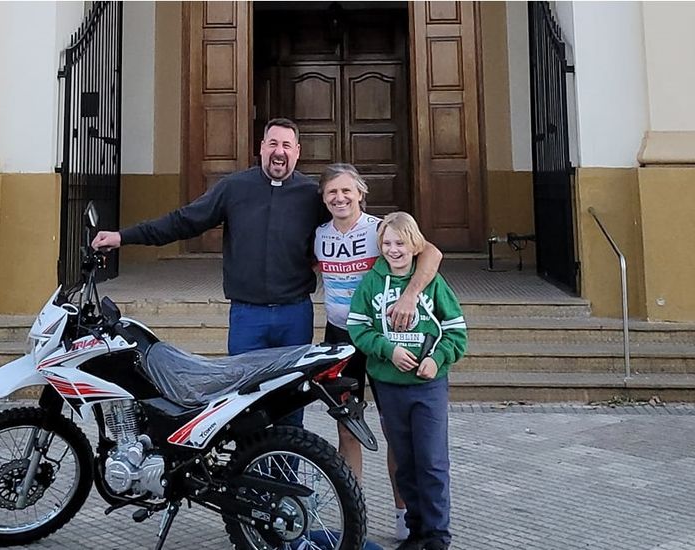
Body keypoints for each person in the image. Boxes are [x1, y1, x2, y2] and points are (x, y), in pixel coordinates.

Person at [91, 117, 429, 426]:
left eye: (286, 145)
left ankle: (285, 489)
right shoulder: (234, 188)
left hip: (294, 316)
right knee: (241, 405)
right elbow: (183, 221)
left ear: (297, 152)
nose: (279, 151)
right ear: (261, 149)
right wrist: (124, 236)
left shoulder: (313, 196)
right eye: (273, 144)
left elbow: (350, 229)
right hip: (246, 318)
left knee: (290, 406)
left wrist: (409, 289)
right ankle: (249, 486)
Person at [314, 164, 441, 541]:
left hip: (384, 338)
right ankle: (351, 512)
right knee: (346, 428)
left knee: (394, 430)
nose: (340, 198)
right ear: (323, 199)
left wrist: (409, 295)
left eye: (346, 191)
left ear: (360, 194)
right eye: (332, 193)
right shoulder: (319, 235)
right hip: (339, 337)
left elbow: (430, 253)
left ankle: (404, 515)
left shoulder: (378, 230)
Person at [346, 212, 467, 550]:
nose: (393, 249)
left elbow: (456, 331)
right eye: (386, 243)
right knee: (405, 461)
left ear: (415, 245)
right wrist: (387, 350)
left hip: (427, 387)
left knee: (431, 461)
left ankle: (437, 535)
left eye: (400, 243)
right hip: (389, 384)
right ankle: (416, 532)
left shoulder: (434, 284)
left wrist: (437, 358)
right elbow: (359, 328)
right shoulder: (372, 283)